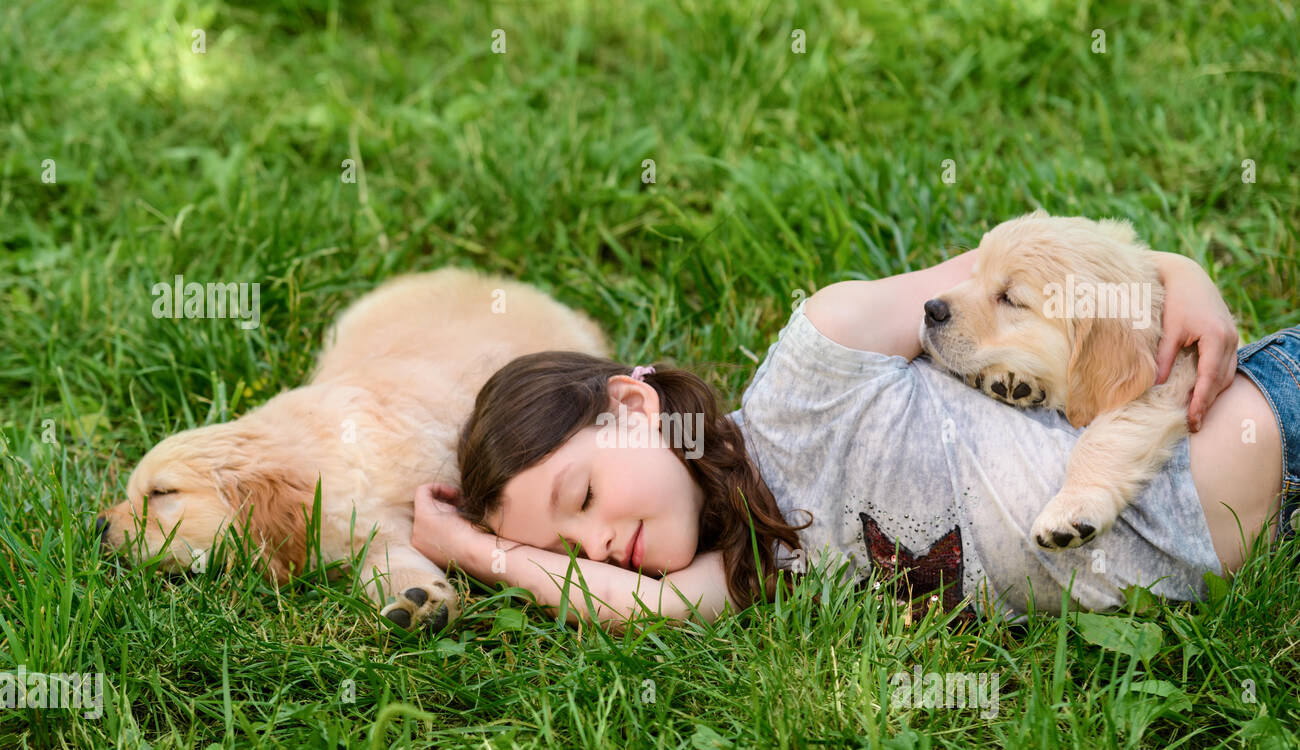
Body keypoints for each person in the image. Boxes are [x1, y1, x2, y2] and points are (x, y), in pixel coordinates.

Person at [409, 249, 1291, 629]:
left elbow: (1021, 272)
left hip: (1264, 420)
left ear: (636, 409)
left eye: (586, 497)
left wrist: (1179, 276)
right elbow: (639, 613)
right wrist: (475, 553)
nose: (596, 546)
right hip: (1267, 550)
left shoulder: (815, 367)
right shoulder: (763, 565)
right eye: (569, 551)